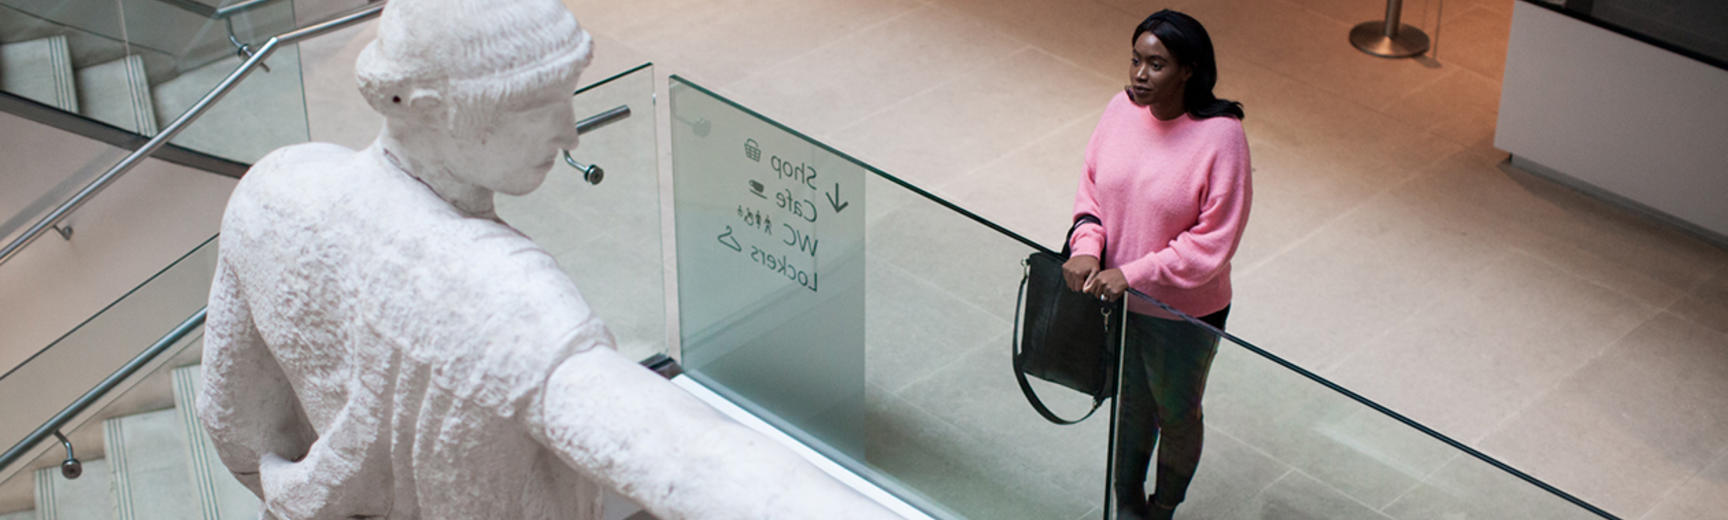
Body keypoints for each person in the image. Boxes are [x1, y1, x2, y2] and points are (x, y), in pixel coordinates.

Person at [198, 0, 897, 518]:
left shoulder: (277, 188)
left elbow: (231, 420)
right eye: (535, 105)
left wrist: (303, 486)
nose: (569, 132)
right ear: (424, 105)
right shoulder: (498, 305)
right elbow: (687, 457)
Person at [1060, 9, 1251, 520]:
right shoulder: (1120, 110)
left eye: (1157, 64)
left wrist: (1134, 273)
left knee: (1177, 415)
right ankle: (1126, 504)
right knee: (1130, 406)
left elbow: (1213, 243)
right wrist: (1086, 245)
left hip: (1183, 314)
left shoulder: (1221, 137)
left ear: (1188, 70)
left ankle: (1163, 508)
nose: (1140, 75)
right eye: (1136, 61)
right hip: (1117, 298)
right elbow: (1092, 189)